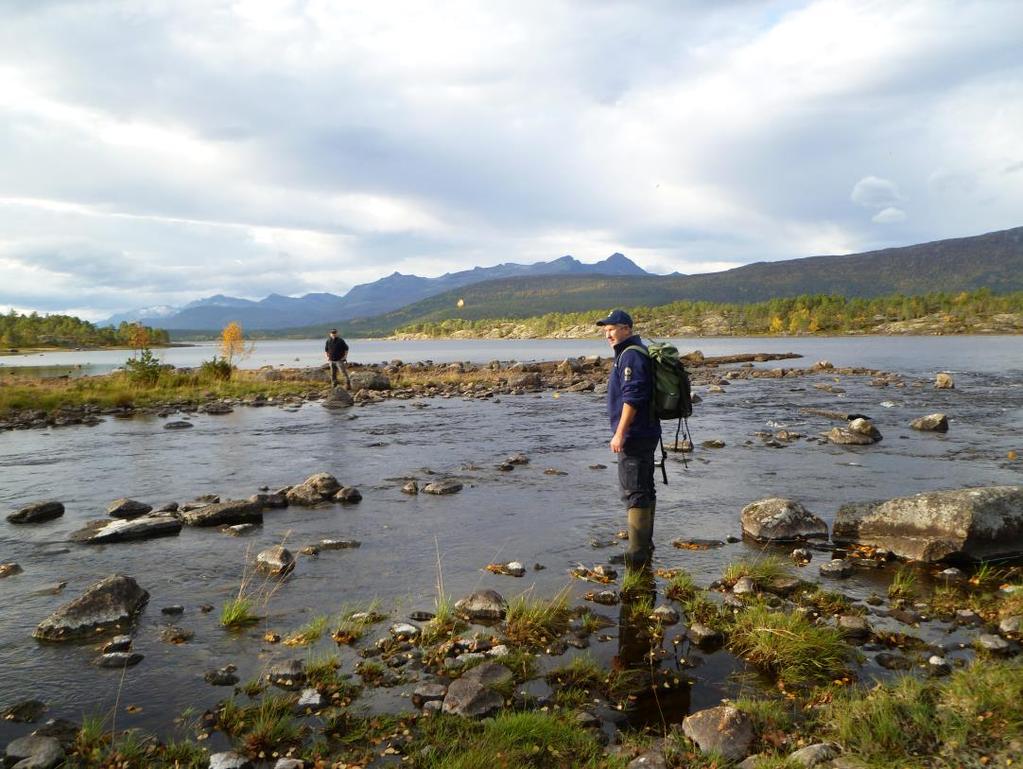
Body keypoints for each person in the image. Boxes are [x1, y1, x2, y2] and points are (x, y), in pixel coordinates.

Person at [597, 309, 661, 568]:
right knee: (645, 487)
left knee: (634, 490)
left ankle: (637, 552)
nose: (608, 334)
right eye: (605, 331)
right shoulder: (634, 352)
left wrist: (620, 433)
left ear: (627, 328)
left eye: (612, 329)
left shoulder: (631, 355)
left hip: (635, 434)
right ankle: (645, 544)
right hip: (646, 431)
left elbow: (632, 397)